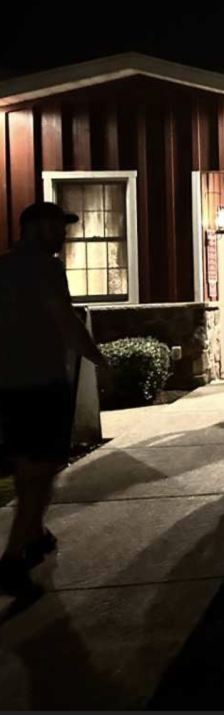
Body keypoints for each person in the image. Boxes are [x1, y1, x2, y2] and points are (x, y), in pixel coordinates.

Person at [0, 202, 110, 600]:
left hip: (7, 384)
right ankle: (12, 560)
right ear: (36, 227)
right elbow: (65, 319)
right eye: (58, 227)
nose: (63, 235)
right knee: (40, 468)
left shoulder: (3, 266)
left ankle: (36, 534)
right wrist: (97, 357)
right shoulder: (45, 268)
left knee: (31, 464)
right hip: (40, 381)